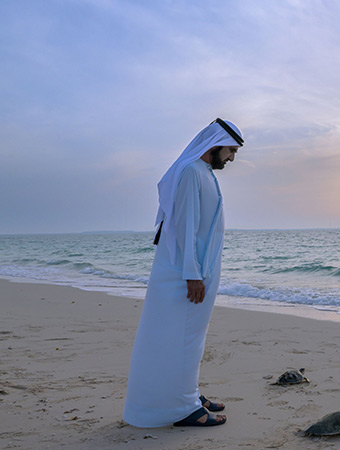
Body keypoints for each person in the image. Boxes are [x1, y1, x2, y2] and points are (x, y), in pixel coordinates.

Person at [123, 118, 243, 427]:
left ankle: (187, 394)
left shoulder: (202, 171)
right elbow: (185, 226)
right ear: (215, 146)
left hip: (198, 269)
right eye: (230, 151)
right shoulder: (191, 172)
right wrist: (192, 274)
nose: (231, 158)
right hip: (186, 273)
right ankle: (183, 407)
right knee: (183, 338)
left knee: (188, 338)